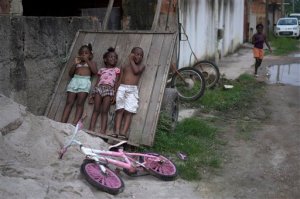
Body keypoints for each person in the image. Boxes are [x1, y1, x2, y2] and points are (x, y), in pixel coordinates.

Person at [112, 47, 145, 140]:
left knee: (128, 112)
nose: (139, 56)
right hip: (122, 88)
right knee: (119, 110)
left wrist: (131, 60)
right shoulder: (124, 66)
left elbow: (136, 71)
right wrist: (115, 94)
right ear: (131, 54)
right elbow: (119, 80)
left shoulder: (141, 66)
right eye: (136, 54)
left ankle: (123, 133)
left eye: (141, 55)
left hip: (132, 90)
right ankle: (116, 131)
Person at [61, 43, 97, 125]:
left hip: (84, 82)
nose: (83, 54)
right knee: (69, 102)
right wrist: (75, 64)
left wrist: (87, 60)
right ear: (79, 55)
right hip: (75, 81)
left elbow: (95, 72)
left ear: (90, 55)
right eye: (82, 53)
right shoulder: (77, 63)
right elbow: (70, 74)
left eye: (86, 53)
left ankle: (75, 123)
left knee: (80, 103)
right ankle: (62, 122)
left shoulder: (92, 63)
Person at [88, 47, 120, 134]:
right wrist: (92, 94)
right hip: (99, 89)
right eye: (111, 57)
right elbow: (97, 82)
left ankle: (102, 131)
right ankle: (91, 129)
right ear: (105, 59)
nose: (113, 58)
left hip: (109, 90)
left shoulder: (116, 70)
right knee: (96, 109)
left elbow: (116, 83)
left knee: (104, 111)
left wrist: (114, 94)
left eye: (115, 57)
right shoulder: (101, 70)